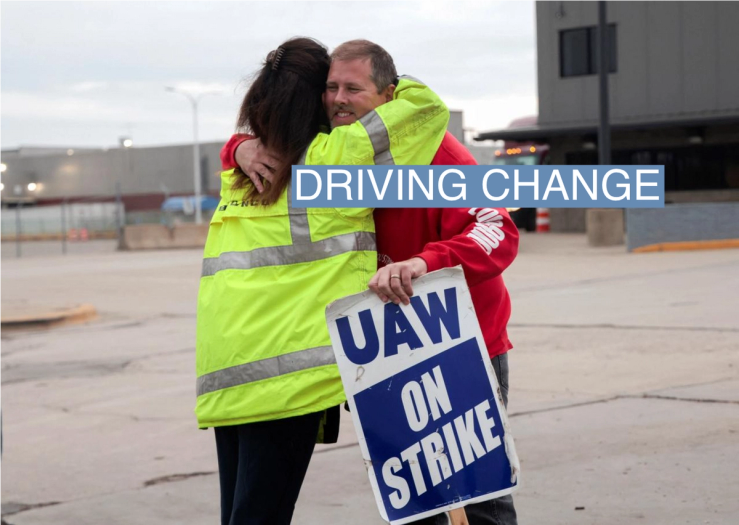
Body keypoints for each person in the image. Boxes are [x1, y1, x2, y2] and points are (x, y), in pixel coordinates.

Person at [222, 40, 519, 525]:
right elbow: (264, 143)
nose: (338, 98)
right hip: (385, 351)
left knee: (479, 492)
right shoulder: (329, 149)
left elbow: (496, 228)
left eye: (353, 88)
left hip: (462, 343)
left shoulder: (437, 153)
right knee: (411, 497)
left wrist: (426, 262)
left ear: (388, 95)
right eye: (331, 87)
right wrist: (240, 146)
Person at [196, 37, 449, 525]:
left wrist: (242, 144)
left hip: (228, 372)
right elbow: (425, 106)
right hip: (288, 378)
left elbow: (242, 146)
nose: (336, 99)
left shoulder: (241, 174)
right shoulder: (337, 159)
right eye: (327, 89)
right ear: (312, 98)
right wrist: (375, 83)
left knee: (240, 513)